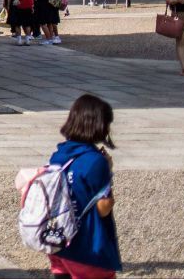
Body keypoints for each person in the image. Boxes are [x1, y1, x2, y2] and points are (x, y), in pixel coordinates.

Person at [45, 94, 120, 279]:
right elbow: (103, 208)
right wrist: (108, 171)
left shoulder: (60, 155)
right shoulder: (96, 161)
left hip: (59, 242)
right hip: (87, 247)